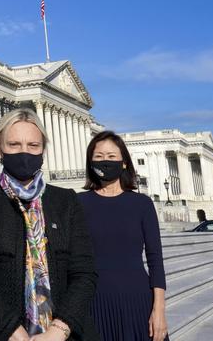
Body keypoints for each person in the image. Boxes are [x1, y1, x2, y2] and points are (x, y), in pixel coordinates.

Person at [0, 108, 98, 341]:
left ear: (43, 150)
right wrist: (13, 332)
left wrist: (58, 331)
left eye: (33, 145)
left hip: (64, 334)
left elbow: (84, 273)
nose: (24, 152)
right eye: (14, 144)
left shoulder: (66, 201)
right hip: (5, 335)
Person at [79, 131, 168, 341]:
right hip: (94, 301)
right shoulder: (78, 203)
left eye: (111, 156)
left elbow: (155, 259)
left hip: (136, 300)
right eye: (98, 157)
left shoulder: (141, 204)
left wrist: (159, 310)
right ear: (90, 163)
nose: (105, 161)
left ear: (124, 162)